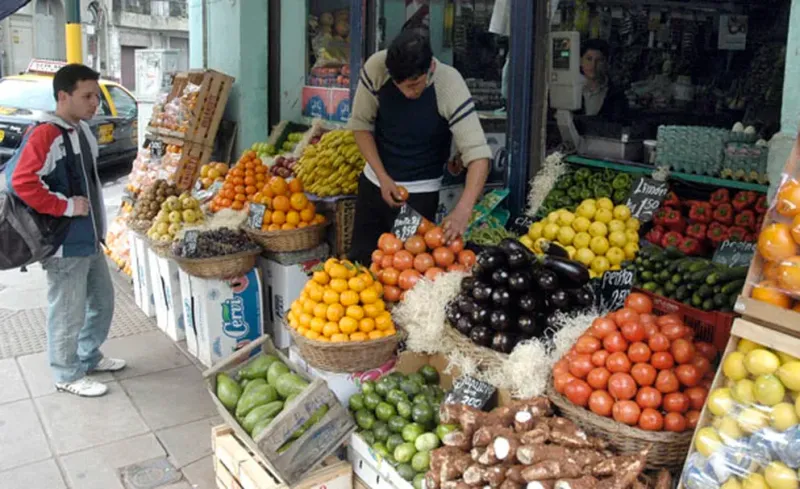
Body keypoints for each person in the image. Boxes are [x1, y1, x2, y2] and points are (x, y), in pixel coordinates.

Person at [7, 64, 125, 397]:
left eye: (96, 96)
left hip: (87, 239)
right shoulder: (47, 133)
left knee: (102, 301)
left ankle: (87, 357)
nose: (95, 104)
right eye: (87, 96)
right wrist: (66, 206)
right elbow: (20, 181)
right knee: (68, 310)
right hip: (64, 243)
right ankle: (66, 373)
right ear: (63, 96)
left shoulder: (78, 130)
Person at [347, 27, 492, 265]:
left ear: (430, 67)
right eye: (400, 84)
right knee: (361, 266)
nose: (408, 92)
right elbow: (361, 125)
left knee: (407, 274)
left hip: (421, 195)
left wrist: (463, 210)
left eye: (415, 83)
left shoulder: (449, 84)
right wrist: (383, 178)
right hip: (374, 186)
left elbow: (478, 155)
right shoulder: (376, 68)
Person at [576, 39, 629, 123]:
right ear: (580, 61)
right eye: (589, 59)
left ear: (606, 63)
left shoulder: (616, 95)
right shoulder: (572, 89)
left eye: (599, 60)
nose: (593, 65)